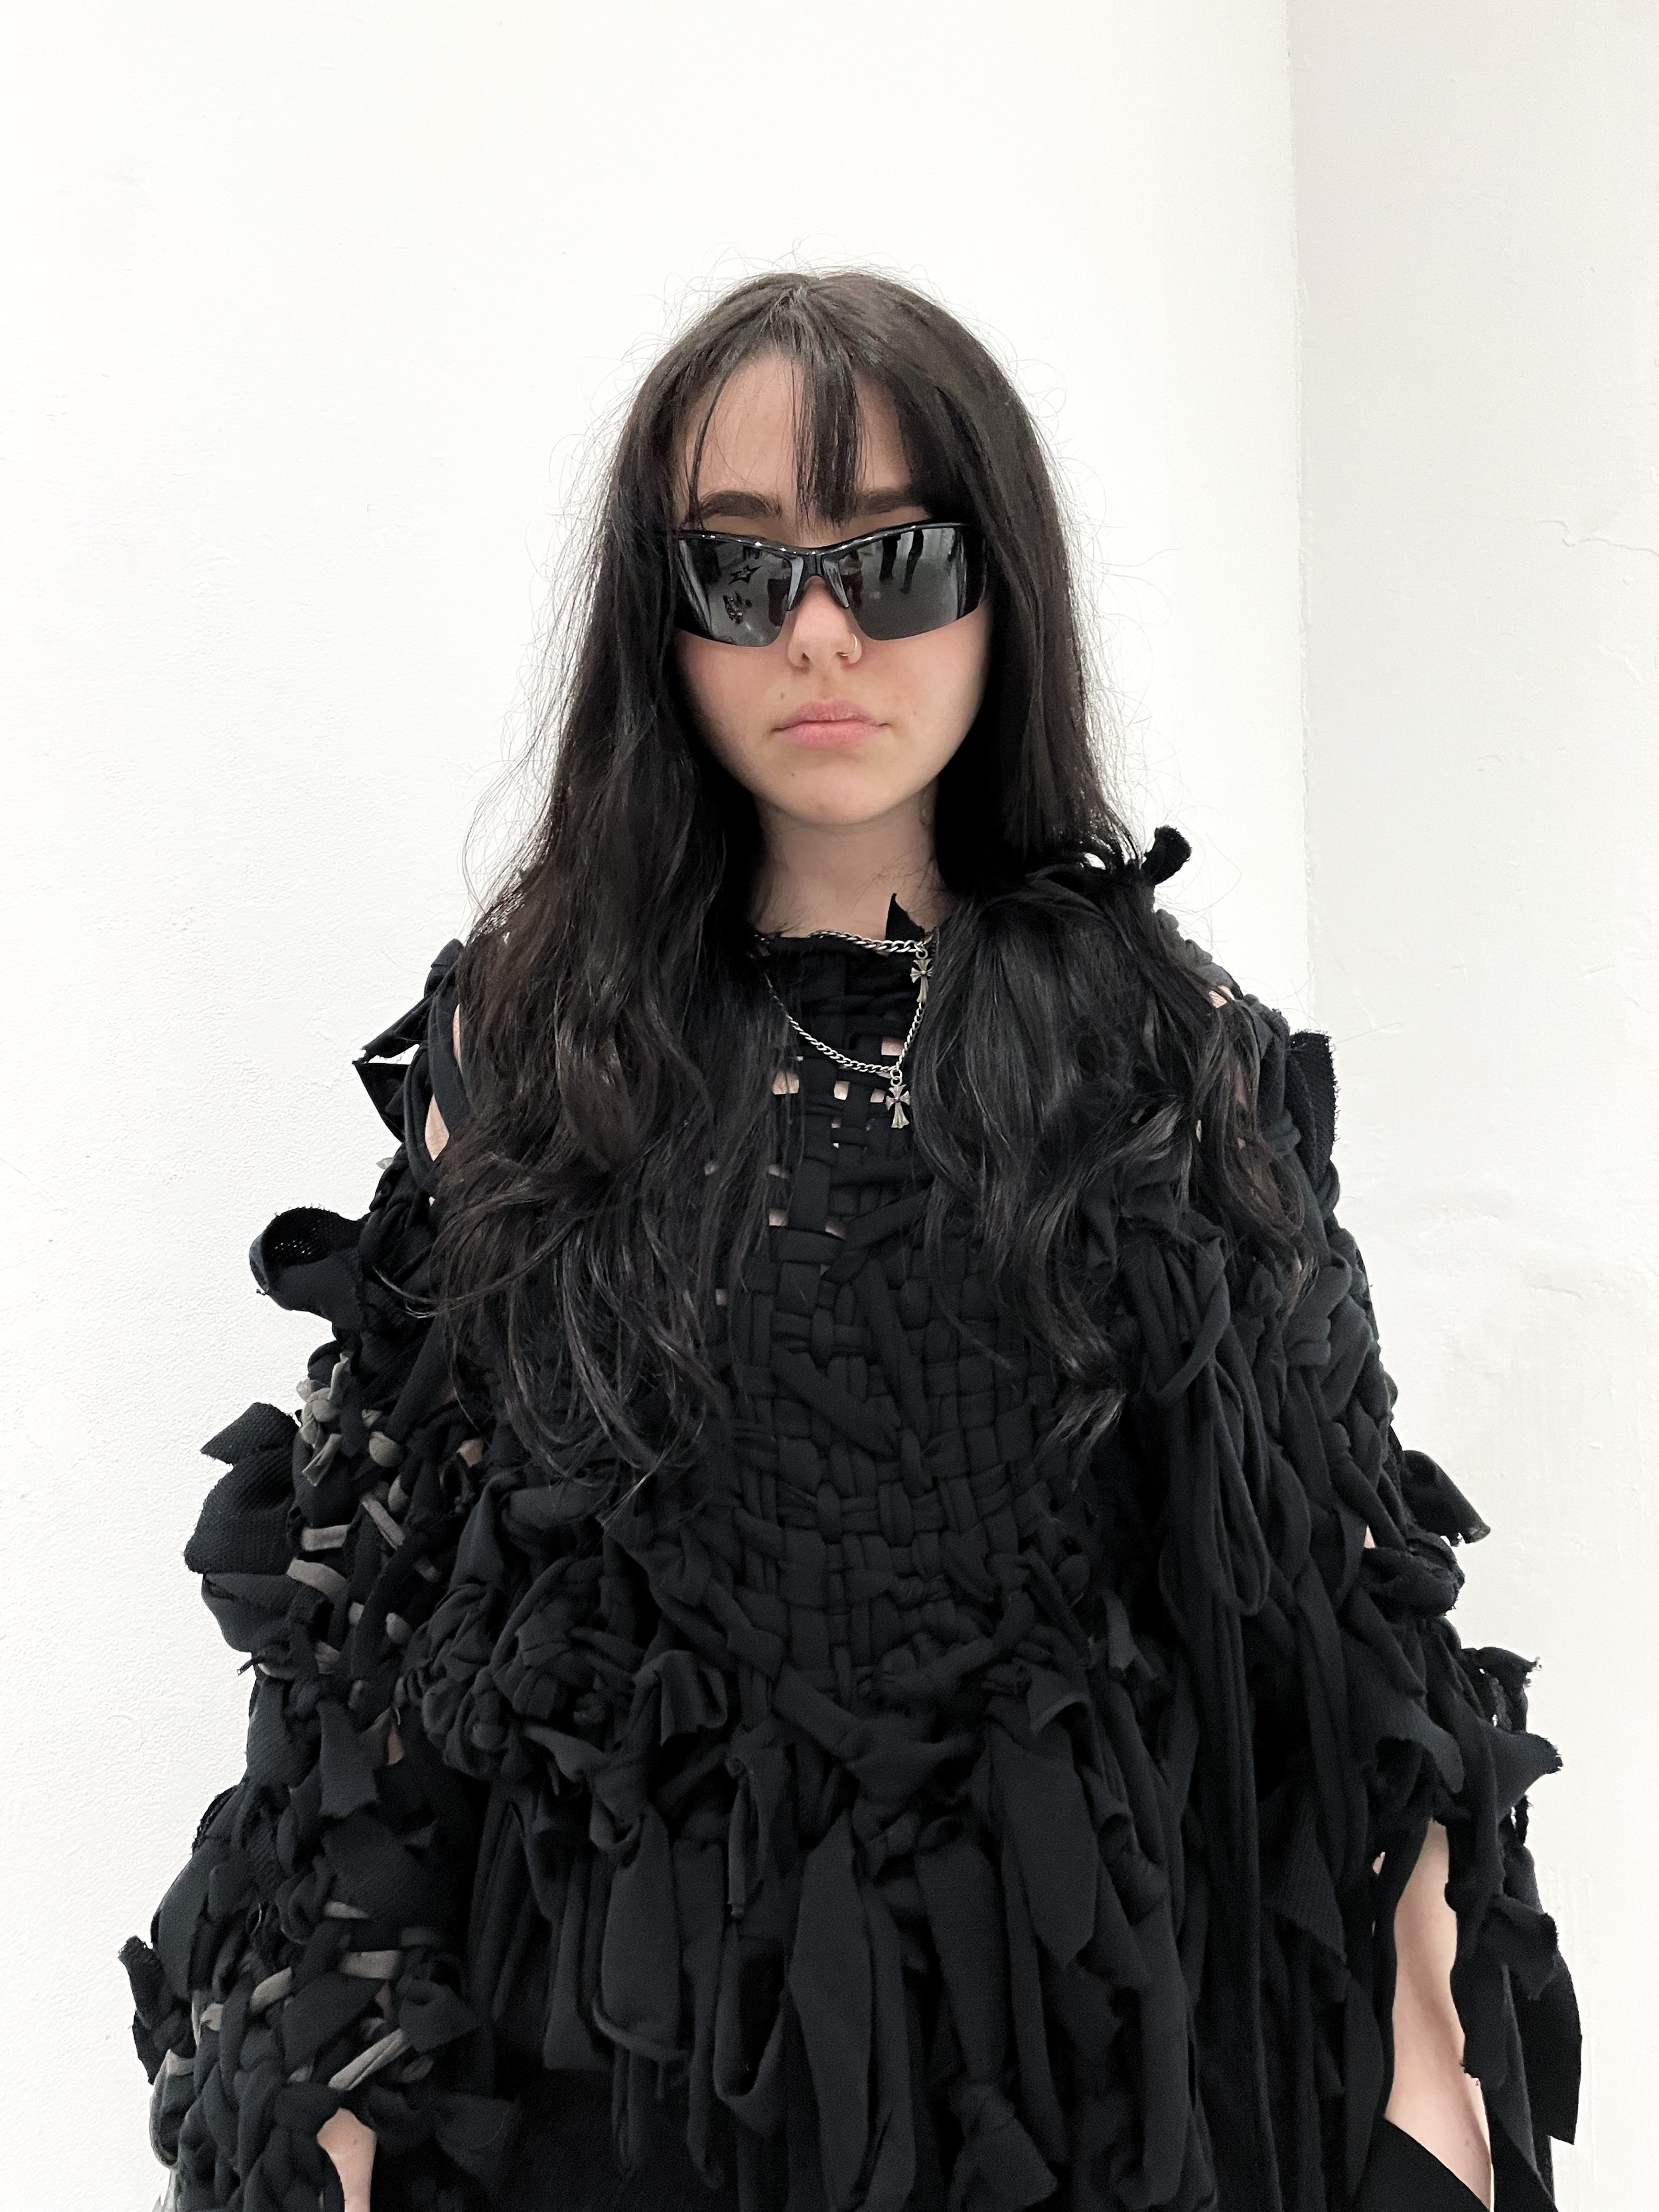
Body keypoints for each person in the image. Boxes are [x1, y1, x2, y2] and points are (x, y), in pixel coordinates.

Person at [121, 269, 1579, 2212]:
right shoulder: (536, 1055)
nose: (818, 634)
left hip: (1084, 2093)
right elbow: (388, 1639)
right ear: (661, 620)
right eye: (740, 571)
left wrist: (1429, 2081)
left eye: (892, 559)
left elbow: (1336, 1627)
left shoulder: (1168, 1060)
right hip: (621, 2098)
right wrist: (337, 2101)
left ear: (998, 588)